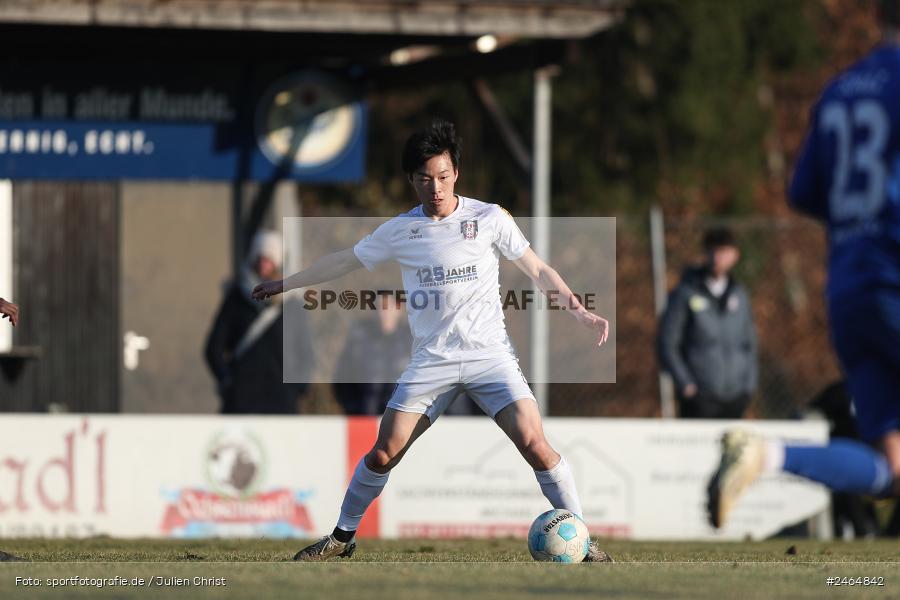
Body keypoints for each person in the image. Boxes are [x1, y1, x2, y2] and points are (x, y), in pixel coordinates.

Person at [252, 120, 613, 562]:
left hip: (490, 357)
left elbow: (537, 269)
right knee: (383, 453)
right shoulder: (401, 231)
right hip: (432, 363)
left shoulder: (489, 218)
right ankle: (341, 539)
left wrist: (576, 308)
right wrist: (285, 283)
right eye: (425, 179)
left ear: (456, 173)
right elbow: (343, 262)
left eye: (443, 177)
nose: (436, 188)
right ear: (412, 181)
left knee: (536, 443)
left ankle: (582, 540)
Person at [708, 1, 900, 528]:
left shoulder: (841, 88)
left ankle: (766, 455)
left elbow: (806, 190)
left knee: (892, 466)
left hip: (850, 290)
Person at [205, 230, 313, 414]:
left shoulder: (293, 305)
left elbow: (306, 355)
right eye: (260, 258)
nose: (264, 264)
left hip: (282, 406)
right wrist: (228, 382)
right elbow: (213, 348)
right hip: (241, 404)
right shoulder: (237, 298)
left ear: (279, 264)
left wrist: (295, 389)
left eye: (270, 260)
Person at [658, 228, 758, 419]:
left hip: (736, 398)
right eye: (714, 250)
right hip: (699, 399)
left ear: (735, 255)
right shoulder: (685, 293)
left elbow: (750, 344)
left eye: (724, 251)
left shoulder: (740, 295)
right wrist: (686, 385)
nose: (718, 257)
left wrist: (748, 387)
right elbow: (667, 342)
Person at [333, 294, 413, 415]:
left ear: (398, 309)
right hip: (363, 417)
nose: (383, 312)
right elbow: (342, 378)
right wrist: (353, 408)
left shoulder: (411, 341)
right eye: (379, 307)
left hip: (402, 418)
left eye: (388, 307)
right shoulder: (358, 340)